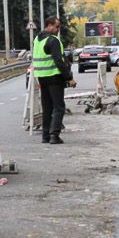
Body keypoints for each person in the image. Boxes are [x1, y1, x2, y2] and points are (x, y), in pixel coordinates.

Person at [32, 16, 76, 144]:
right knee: (59, 107)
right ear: (49, 25)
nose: (58, 29)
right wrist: (69, 78)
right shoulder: (53, 40)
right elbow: (59, 61)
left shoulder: (37, 39)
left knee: (47, 107)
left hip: (41, 77)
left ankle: (45, 136)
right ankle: (54, 135)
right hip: (54, 77)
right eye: (57, 27)